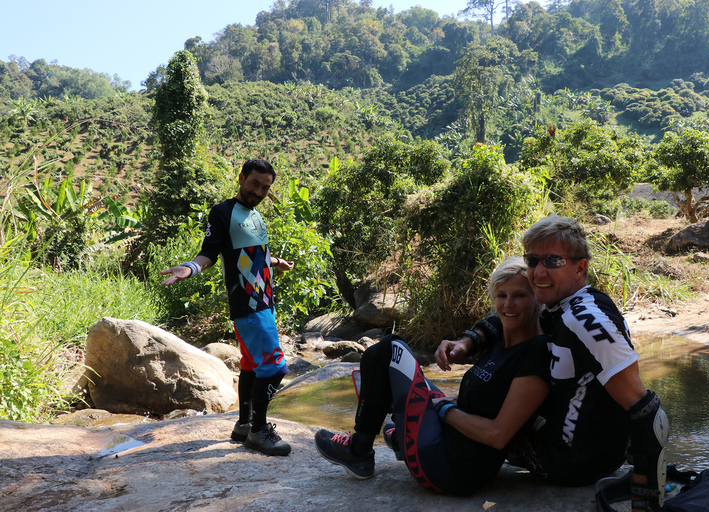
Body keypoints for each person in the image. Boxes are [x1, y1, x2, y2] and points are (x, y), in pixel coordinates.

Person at [436, 215, 669, 512]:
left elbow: (646, 410)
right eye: (532, 260)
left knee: (482, 399)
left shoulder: (584, 321)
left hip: (568, 464)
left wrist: (644, 496)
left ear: (580, 266)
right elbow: (511, 317)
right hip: (591, 451)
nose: (538, 271)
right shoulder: (564, 304)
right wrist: (468, 342)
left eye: (553, 260)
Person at [314, 257, 551, 495]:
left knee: (389, 347)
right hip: (451, 450)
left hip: (448, 469)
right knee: (406, 382)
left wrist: (440, 409)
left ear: (537, 300)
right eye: (502, 295)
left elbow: (497, 435)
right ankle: (398, 439)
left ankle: (359, 450)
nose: (508, 304)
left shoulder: (536, 353)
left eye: (519, 295)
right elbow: (485, 397)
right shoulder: (506, 333)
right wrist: (442, 397)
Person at [160, 158, 295, 457]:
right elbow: (210, 252)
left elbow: (250, 254)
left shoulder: (254, 215)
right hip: (248, 304)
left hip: (264, 301)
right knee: (274, 368)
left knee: (250, 364)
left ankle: (244, 426)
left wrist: (275, 263)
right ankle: (259, 431)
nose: (259, 191)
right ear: (241, 178)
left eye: (265, 187)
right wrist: (190, 268)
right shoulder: (223, 212)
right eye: (254, 184)